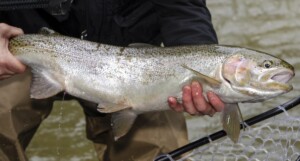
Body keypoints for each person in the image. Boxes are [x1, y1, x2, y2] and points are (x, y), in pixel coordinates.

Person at [0, 0, 224, 160]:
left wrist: (201, 64)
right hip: (18, 49)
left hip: (136, 68)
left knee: (158, 150)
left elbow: (183, 8)